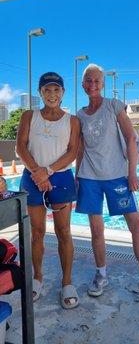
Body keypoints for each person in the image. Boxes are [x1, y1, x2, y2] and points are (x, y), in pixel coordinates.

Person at [75, 63, 139, 314]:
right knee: (96, 229)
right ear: (82, 85)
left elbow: (130, 138)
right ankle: (101, 274)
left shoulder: (114, 106)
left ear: (102, 84)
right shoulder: (79, 115)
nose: (92, 84)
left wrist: (132, 173)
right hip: (89, 178)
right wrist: (76, 175)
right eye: (88, 80)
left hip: (117, 178)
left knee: (137, 225)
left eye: (96, 80)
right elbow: (80, 147)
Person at [16, 72, 80, 309]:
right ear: (40, 93)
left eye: (56, 90)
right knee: (37, 231)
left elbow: (72, 151)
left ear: (63, 93)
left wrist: (48, 170)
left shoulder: (72, 121)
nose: (52, 95)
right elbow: (20, 146)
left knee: (63, 230)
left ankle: (67, 282)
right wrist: (37, 172)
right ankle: (37, 278)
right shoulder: (28, 116)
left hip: (61, 176)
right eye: (47, 90)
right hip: (32, 175)